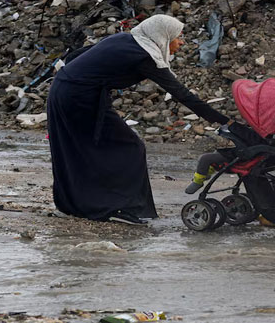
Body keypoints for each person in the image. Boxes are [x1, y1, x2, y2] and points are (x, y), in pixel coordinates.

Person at [47, 15, 230, 225]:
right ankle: (118, 207)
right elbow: (182, 94)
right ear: (163, 36)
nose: (181, 42)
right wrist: (224, 121)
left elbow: (79, 55)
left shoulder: (126, 40)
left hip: (66, 90)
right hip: (79, 98)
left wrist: (72, 74)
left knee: (86, 149)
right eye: (178, 37)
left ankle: (80, 205)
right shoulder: (144, 56)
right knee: (130, 147)